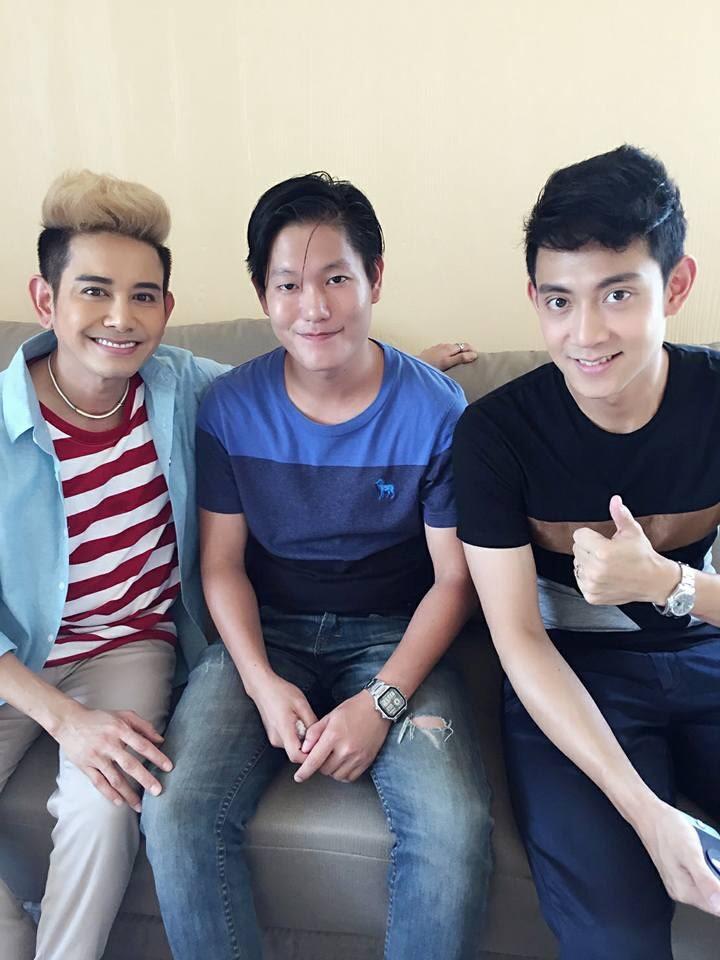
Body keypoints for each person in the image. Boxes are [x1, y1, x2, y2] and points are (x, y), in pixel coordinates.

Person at [142, 172, 492, 960]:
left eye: (336, 278)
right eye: (288, 284)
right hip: (268, 630)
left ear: (375, 277)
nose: (314, 307)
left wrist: (383, 700)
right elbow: (221, 565)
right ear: (263, 295)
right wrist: (261, 682)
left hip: (394, 633)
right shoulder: (229, 408)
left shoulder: (436, 408)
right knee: (174, 809)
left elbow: (455, 579)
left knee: (454, 829)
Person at [453, 144, 720, 959]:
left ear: (677, 286)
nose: (586, 333)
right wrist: (649, 815)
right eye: (560, 301)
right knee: (615, 936)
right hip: (575, 685)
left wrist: (670, 583)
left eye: (618, 294)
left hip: (708, 658)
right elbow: (517, 639)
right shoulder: (495, 435)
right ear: (534, 298)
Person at [0, 170, 226, 960]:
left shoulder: (178, 385)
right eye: (95, 291)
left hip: (127, 645)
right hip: (13, 655)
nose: (121, 319)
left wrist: (399, 370)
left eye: (144, 296)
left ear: (166, 305)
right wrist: (61, 718)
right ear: (45, 298)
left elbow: (293, 390)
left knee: (104, 802)